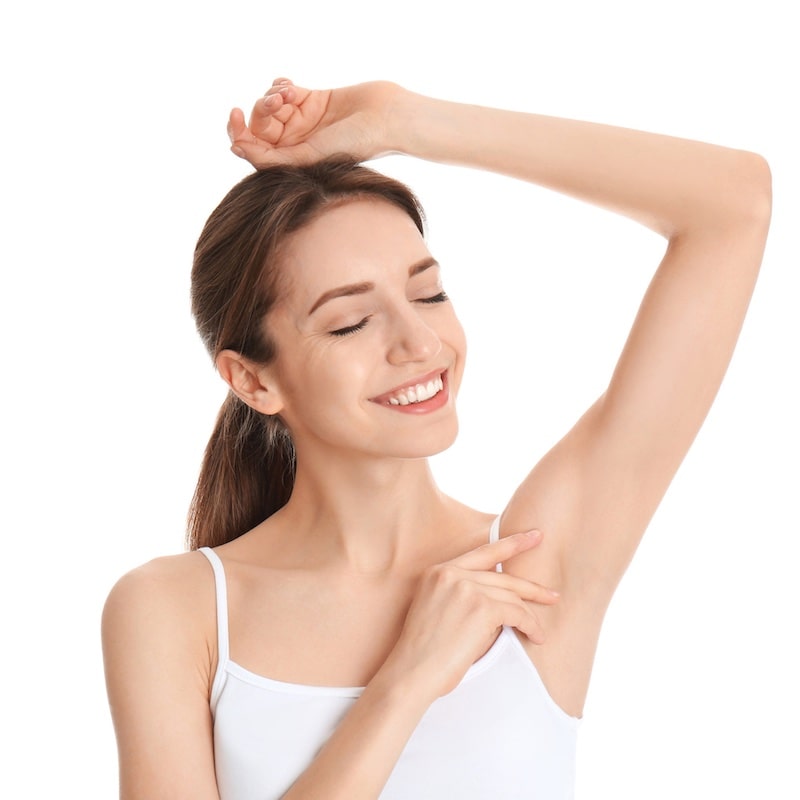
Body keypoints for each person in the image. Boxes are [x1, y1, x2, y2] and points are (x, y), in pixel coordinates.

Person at [101, 78, 771, 800]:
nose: (420, 343)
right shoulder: (176, 611)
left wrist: (407, 123)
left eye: (429, 293)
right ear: (253, 380)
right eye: (351, 322)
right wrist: (406, 680)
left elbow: (734, 203)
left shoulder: (528, 569)